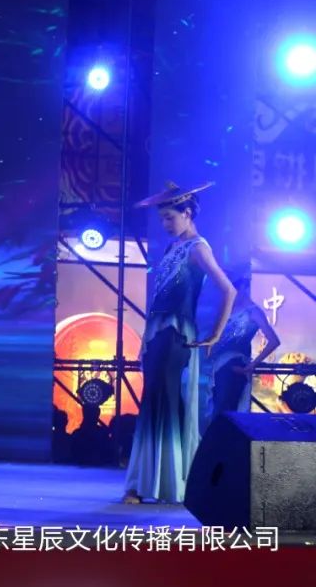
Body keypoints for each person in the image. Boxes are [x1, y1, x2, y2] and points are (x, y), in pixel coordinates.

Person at [122, 182, 235, 504]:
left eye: (170, 218)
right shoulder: (173, 248)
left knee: (164, 404)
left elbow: (229, 290)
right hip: (158, 334)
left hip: (176, 336)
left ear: (187, 213)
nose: (165, 224)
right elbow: (158, 300)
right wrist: (145, 339)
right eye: (162, 219)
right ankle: (152, 483)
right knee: (155, 403)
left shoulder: (198, 248)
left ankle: (156, 485)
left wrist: (216, 333)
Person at [206, 270, 280, 423]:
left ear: (244, 287)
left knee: (227, 413)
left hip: (236, 365)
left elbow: (274, 341)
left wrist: (252, 365)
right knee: (217, 411)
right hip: (217, 366)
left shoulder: (253, 312)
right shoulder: (226, 308)